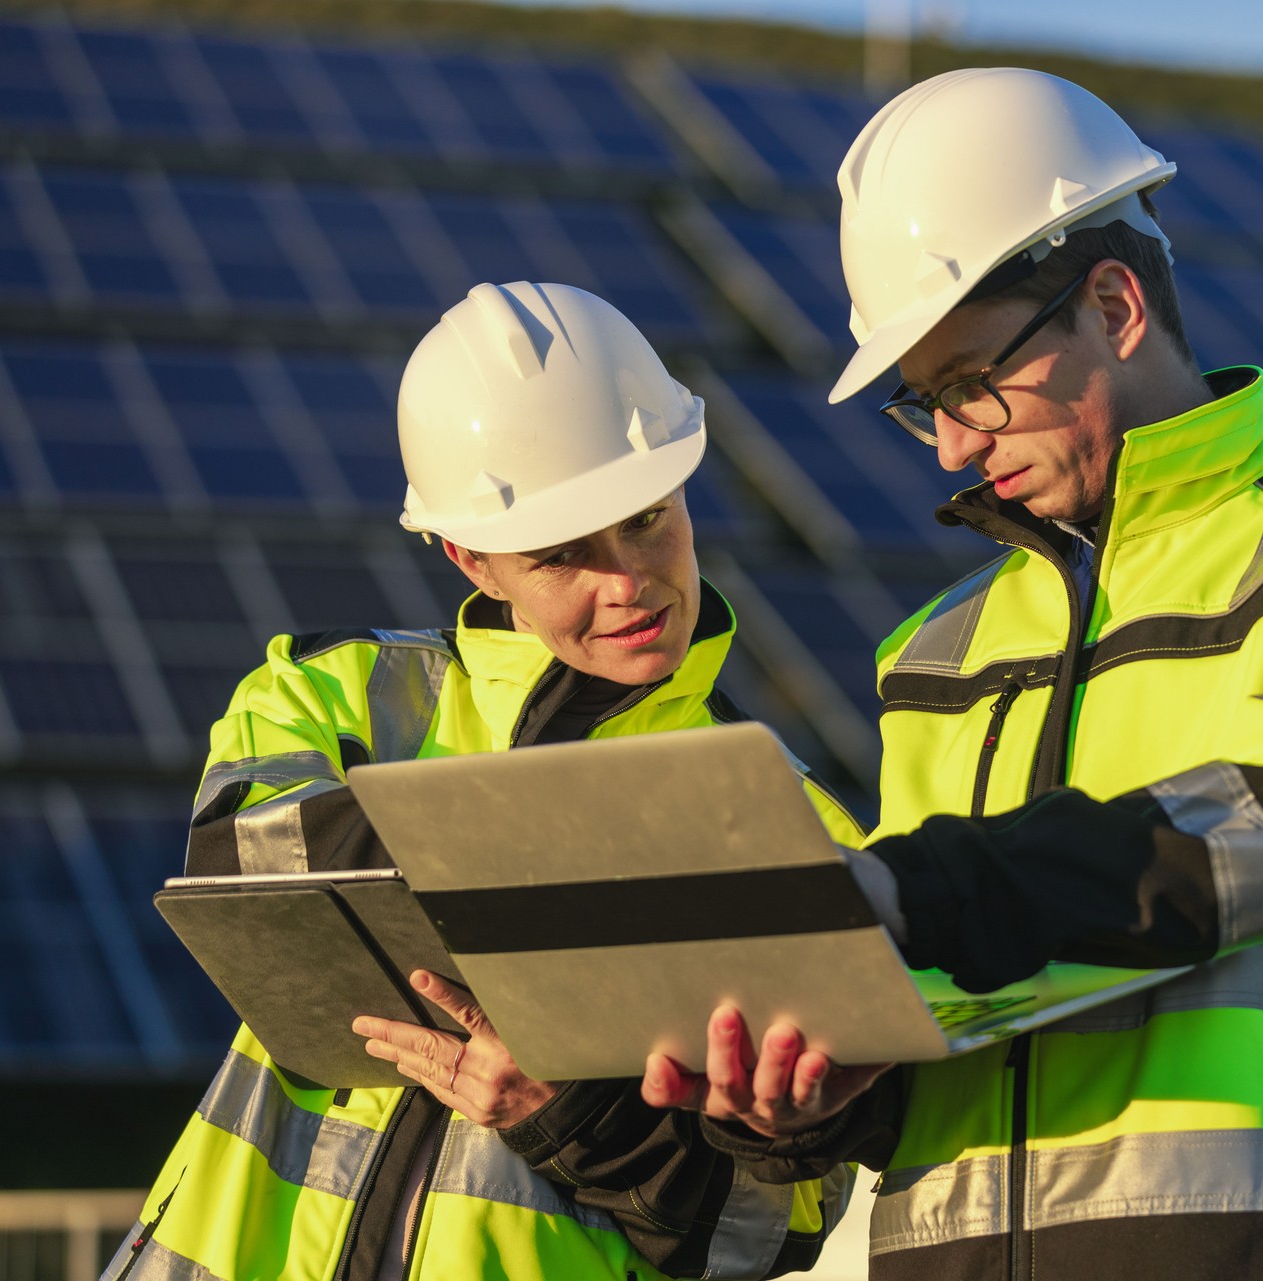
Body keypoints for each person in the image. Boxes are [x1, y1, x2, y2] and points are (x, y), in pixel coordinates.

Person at [644, 69, 1263, 1280]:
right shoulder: (932, 656)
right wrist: (807, 1103)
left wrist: (918, 895)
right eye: (921, 403)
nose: (948, 442)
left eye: (970, 382)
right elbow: (939, 1009)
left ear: (1115, 305)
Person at [106, 282, 860, 1281]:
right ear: (473, 559)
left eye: (647, 520)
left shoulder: (790, 823)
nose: (627, 580)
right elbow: (241, 862)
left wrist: (573, 1111)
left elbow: (781, 1228)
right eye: (563, 557)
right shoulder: (341, 694)